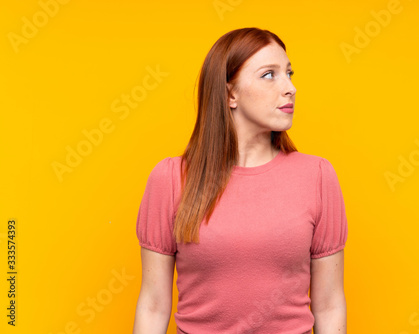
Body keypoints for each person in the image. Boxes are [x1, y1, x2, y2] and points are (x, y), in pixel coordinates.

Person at [132, 27, 348, 334]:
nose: (290, 88)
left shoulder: (318, 176)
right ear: (230, 93)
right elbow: (153, 305)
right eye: (269, 75)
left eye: (289, 73)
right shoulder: (170, 179)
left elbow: (329, 304)